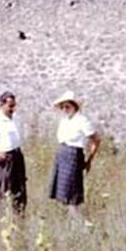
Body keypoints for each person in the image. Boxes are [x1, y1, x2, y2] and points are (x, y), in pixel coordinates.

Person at [47, 90, 101, 218]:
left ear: (74, 106)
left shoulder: (82, 120)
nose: (65, 109)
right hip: (62, 154)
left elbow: (96, 139)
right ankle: (69, 221)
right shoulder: (65, 120)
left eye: (67, 106)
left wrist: (89, 160)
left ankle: (77, 223)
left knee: (72, 195)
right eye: (63, 107)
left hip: (73, 155)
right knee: (63, 194)